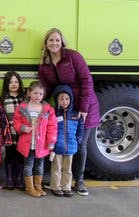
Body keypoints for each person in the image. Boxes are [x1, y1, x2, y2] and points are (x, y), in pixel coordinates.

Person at [38, 28, 100, 196]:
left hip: (82, 106)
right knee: (59, 143)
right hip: (62, 107)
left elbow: (87, 81)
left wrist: (83, 108)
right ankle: (58, 182)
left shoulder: (73, 57)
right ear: (46, 43)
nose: (54, 43)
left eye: (57, 40)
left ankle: (79, 180)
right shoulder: (45, 63)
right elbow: (46, 87)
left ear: (62, 42)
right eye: (51, 40)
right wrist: (40, 105)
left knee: (80, 144)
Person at [13, 81, 57, 198]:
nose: (38, 96)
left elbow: (52, 127)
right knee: (28, 165)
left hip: (41, 145)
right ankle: (30, 188)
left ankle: (38, 186)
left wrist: (51, 142)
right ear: (29, 93)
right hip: (27, 144)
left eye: (41, 94)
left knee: (40, 165)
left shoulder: (48, 110)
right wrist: (22, 128)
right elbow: (16, 122)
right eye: (35, 93)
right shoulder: (22, 108)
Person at [50, 85, 84, 197]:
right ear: (57, 100)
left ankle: (66, 187)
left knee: (68, 170)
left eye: (67, 98)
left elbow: (81, 128)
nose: (64, 101)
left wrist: (78, 141)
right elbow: (50, 128)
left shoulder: (75, 114)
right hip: (57, 147)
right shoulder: (54, 114)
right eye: (61, 99)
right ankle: (56, 186)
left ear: (71, 99)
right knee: (56, 169)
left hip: (71, 147)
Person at [1, 71, 26, 190]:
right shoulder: (3, 99)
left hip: (22, 132)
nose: (14, 84)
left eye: (16, 82)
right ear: (6, 85)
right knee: (10, 155)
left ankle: (19, 178)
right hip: (9, 132)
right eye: (10, 82)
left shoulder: (24, 99)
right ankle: (9, 178)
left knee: (20, 156)